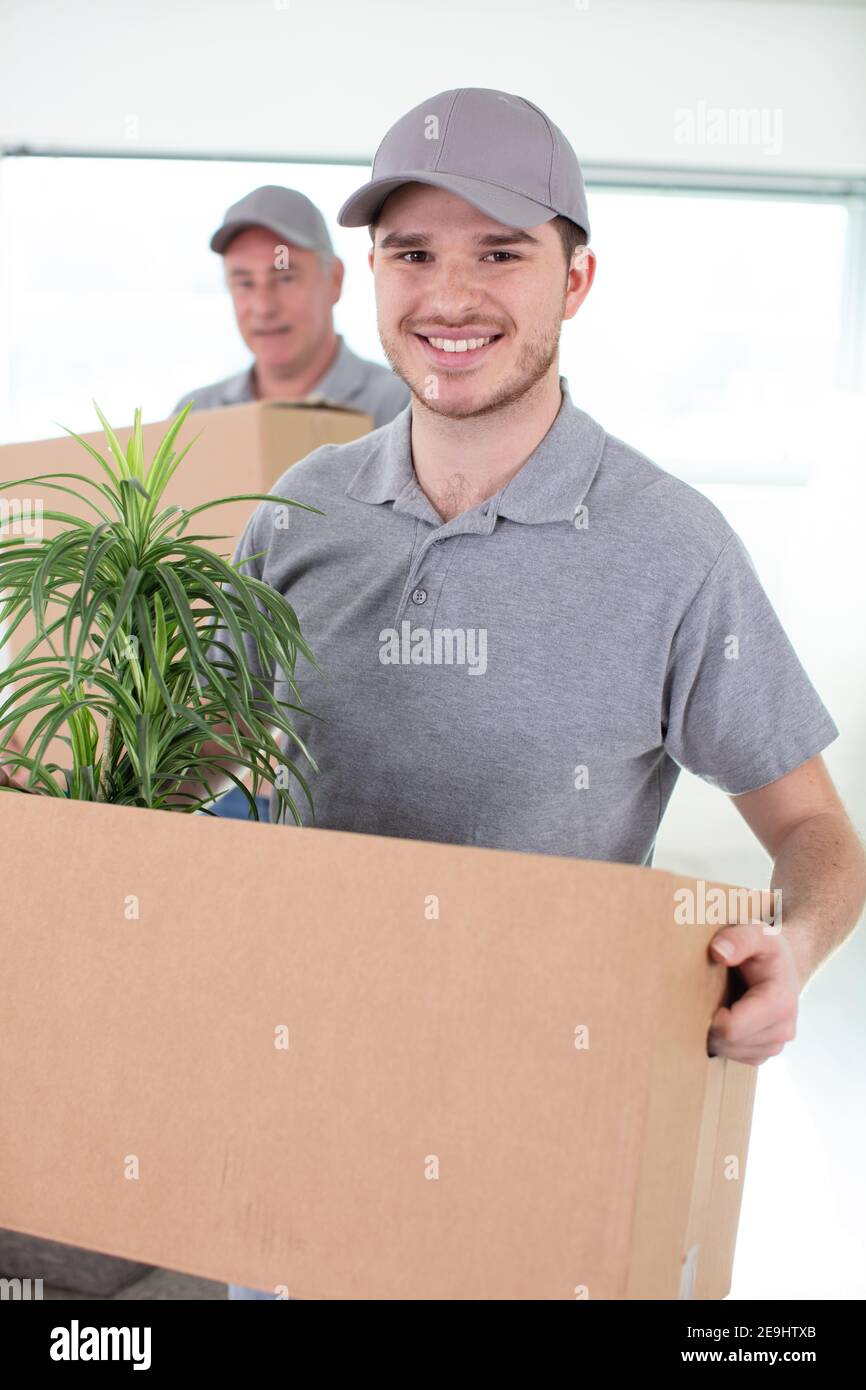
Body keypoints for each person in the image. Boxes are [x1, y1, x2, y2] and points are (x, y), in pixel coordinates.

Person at [4, 88, 864, 1301]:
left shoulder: (672, 547)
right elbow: (214, 752)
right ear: (372, 275)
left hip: (529, 1113)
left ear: (574, 281)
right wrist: (73, 802)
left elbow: (812, 829)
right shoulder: (303, 508)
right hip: (290, 1092)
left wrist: (795, 944)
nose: (449, 297)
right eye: (413, 253)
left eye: (499, 254)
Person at [173, 185, 411, 820]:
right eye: (242, 283)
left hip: (350, 745)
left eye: (283, 277)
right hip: (214, 748)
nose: (263, 304)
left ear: (334, 280)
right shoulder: (194, 418)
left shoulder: (404, 408)